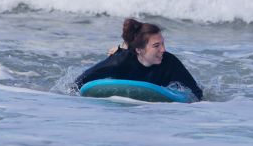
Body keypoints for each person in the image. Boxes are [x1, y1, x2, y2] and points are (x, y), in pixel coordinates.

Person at [74, 18, 203, 101]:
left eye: (163, 44)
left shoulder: (170, 63)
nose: (163, 50)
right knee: (120, 53)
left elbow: (196, 93)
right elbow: (79, 83)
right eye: (156, 46)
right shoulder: (120, 62)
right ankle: (121, 47)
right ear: (139, 50)